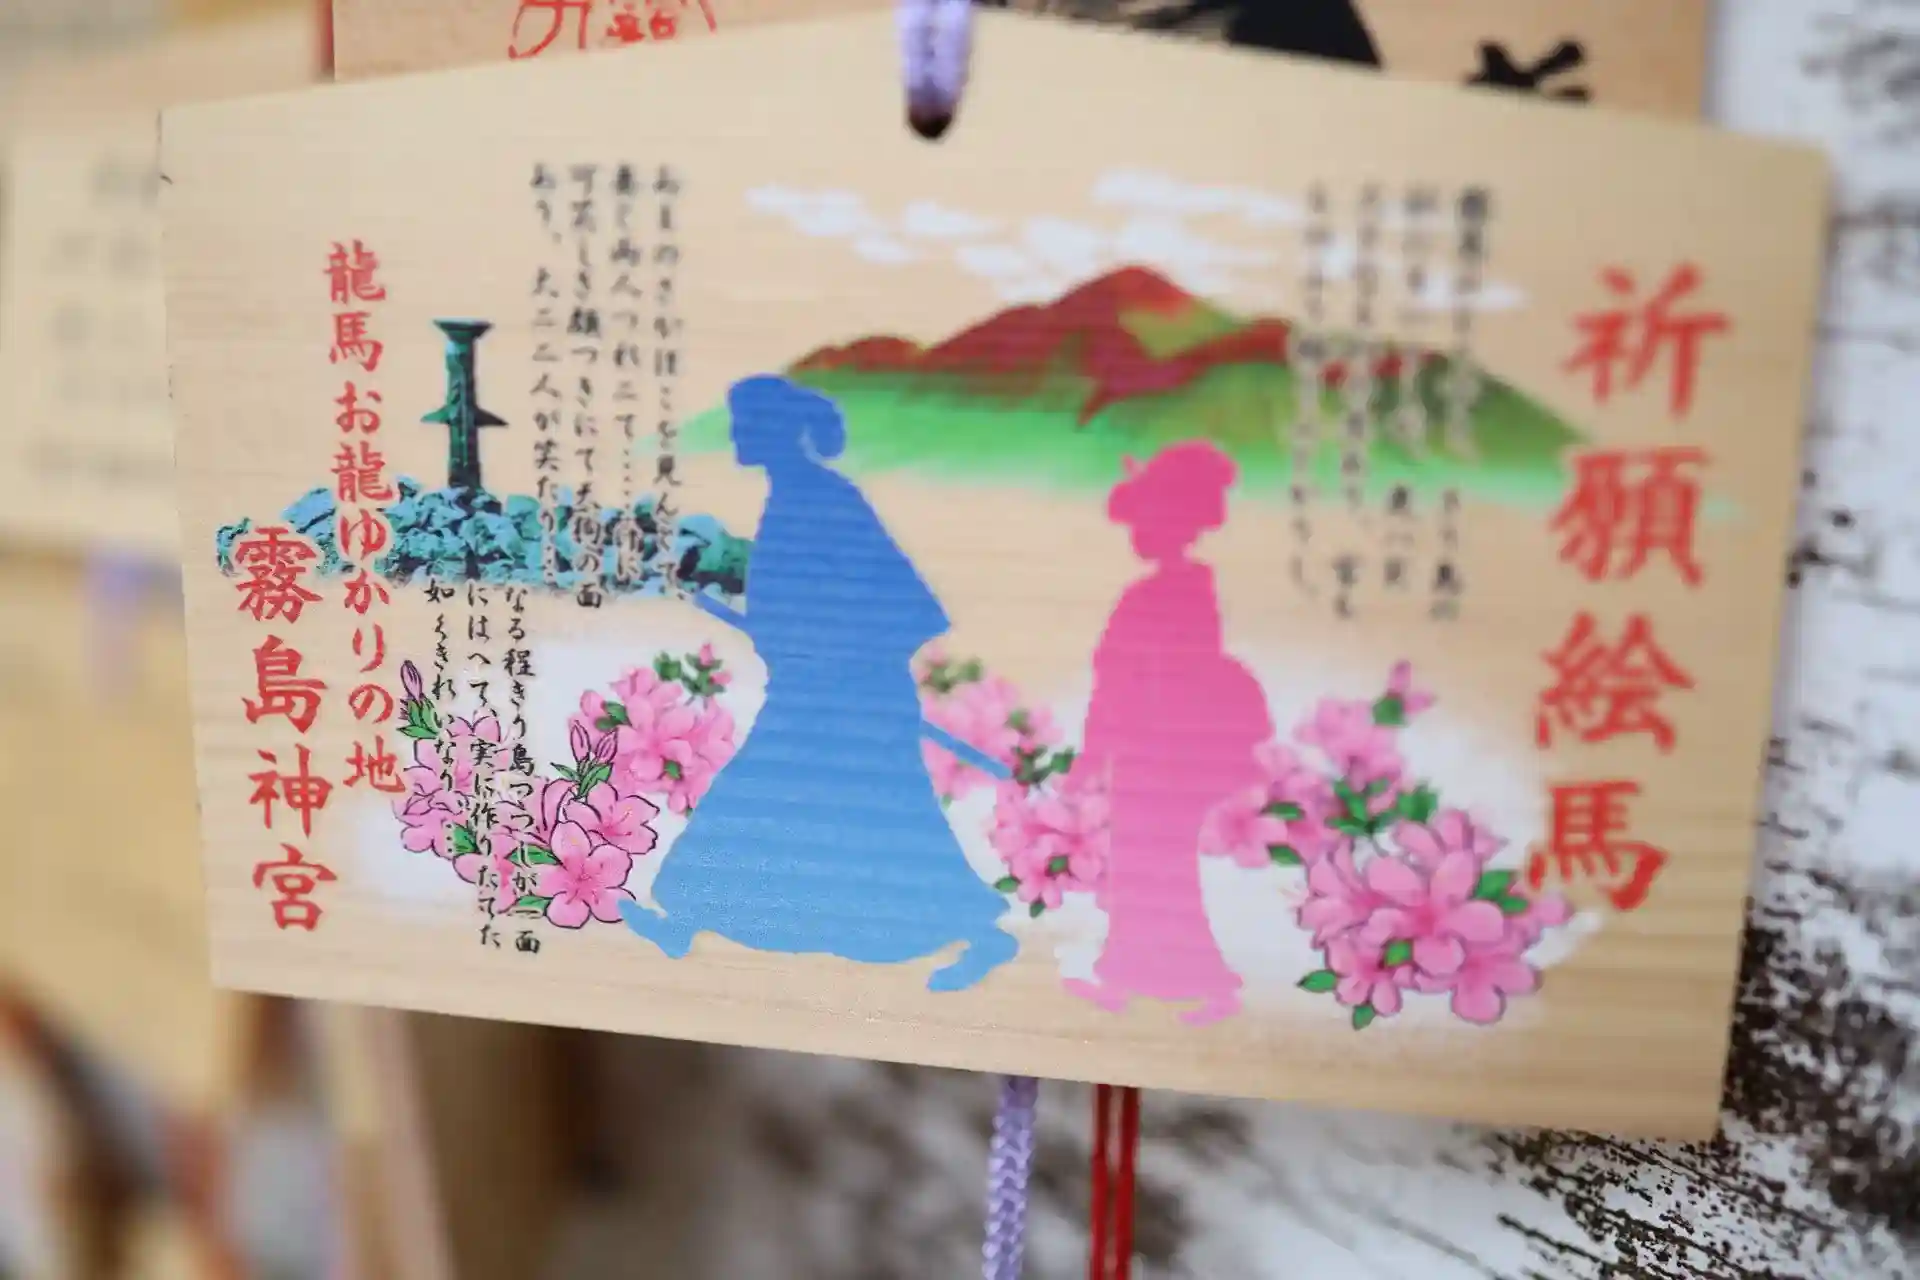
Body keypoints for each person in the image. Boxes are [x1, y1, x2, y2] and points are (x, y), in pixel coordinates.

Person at [622, 375, 1018, 992]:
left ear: (774, 431)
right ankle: (685, 920)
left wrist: (820, 646)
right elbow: (797, 608)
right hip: (817, 689)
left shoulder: (823, 498)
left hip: (852, 694)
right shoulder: (792, 499)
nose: (736, 438)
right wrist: (781, 632)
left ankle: (983, 936)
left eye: (744, 427)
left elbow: (894, 601)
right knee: (759, 801)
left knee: (879, 817)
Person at [1064, 441, 1271, 1025]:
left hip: (1162, 753)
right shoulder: (1169, 590)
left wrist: (1098, 753)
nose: (1138, 533)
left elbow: (1139, 680)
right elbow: (1115, 680)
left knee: (1159, 869)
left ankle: (1208, 988)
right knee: (1140, 868)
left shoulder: (1173, 593)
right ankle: (1123, 980)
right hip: (1145, 750)